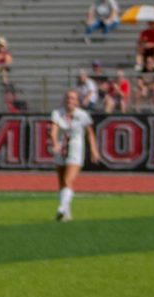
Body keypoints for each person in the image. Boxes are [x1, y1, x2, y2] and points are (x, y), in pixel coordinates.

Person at [50, 88, 98, 222]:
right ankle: (67, 213)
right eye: (68, 98)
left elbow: (90, 133)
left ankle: (62, 208)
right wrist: (55, 143)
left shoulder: (83, 115)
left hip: (76, 149)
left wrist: (94, 150)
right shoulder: (57, 113)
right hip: (61, 149)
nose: (69, 100)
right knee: (61, 182)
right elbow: (53, 131)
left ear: (77, 101)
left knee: (68, 180)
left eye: (72, 98)